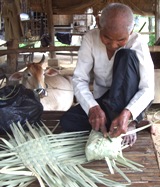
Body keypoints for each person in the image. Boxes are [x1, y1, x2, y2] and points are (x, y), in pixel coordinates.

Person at [60, 3, 155, 146]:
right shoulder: (90, 39)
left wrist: (128, 112)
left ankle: (130, 121)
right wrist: (93, 107)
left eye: (121, 40)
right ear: (98, 24)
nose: (113, 45)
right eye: (107, 38)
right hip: (103, 101)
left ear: (131, 31)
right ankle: (126, 122)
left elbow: (147, 89)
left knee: (126, 55)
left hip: (126, 102)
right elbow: (80, 79)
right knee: (68, 121)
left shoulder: (138, 43)